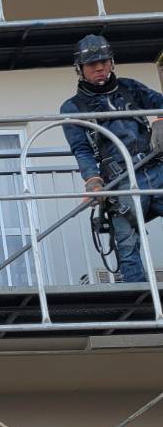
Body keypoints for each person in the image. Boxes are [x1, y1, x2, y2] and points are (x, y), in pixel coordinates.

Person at [60, 34, 163, 284]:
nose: (99, 68)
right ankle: (139, 297)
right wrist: (93, 181)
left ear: (112, 62)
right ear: (80, 69)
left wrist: (161, 121)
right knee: (127, 244)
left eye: (104, 62)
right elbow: (81, 149)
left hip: (155, 167)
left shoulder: (130, 88)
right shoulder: (73, 108)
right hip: (120, 178)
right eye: (92, 64)